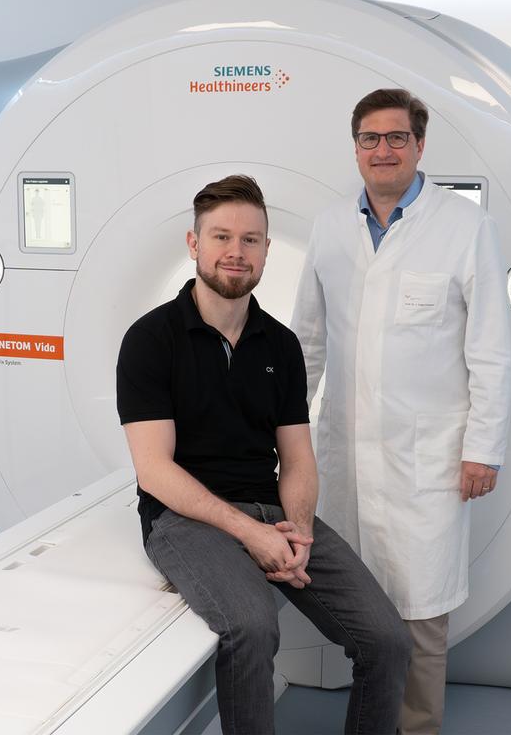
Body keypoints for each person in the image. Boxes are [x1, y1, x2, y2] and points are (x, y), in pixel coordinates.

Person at [117, 174, 412, 735]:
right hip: (183, 519)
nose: (236, 251)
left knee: (388, 640)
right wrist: (250, 535)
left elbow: (297, 457)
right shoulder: (151, 339)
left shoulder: (281, 345)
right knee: (253, 626)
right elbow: (154, 469)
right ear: (194, 244)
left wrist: (295, 531)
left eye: (251, 240)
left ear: (267, 251)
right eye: (222, 236)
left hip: (272, 512)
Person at [291, 89, 511, 735]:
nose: (382, 150)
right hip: (348, 450)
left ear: (420, 146)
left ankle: (416, 728)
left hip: (429, 457)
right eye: (369, 138)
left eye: (396, 138)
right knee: (361, 604)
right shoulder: (332, 226)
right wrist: (280, 433)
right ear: (356, 147)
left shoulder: (465, 227)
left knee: (421, 614)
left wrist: (484, 447)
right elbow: (308, 339)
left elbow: (492, 350)